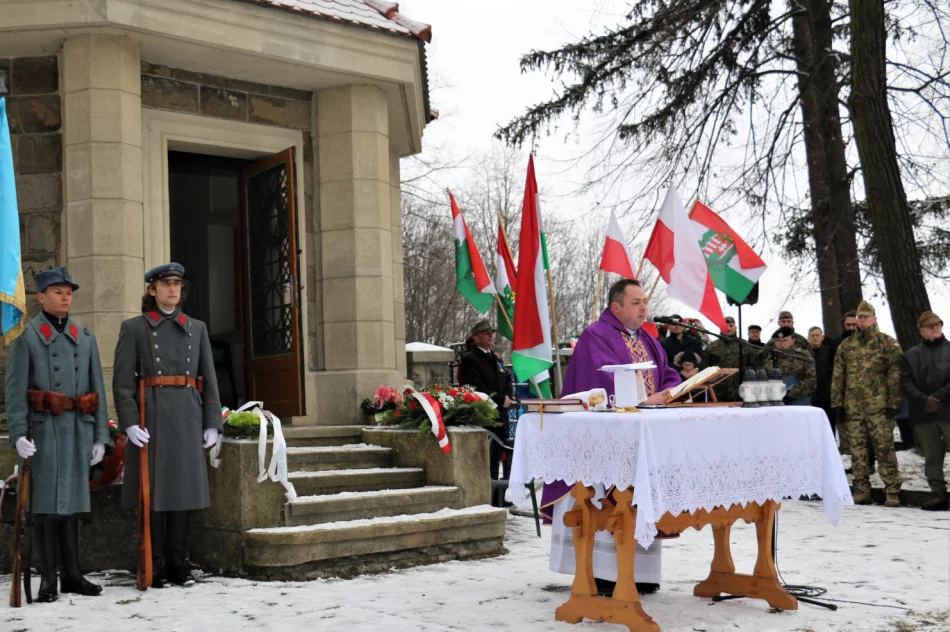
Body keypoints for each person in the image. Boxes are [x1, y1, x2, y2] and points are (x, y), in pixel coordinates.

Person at [541, 279, 681, 597]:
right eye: (636, 302)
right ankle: (604, 574)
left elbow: (666, 372)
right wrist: (645, 399)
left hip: (641, 434)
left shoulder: (648, 338)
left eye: (645, 301)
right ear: (616, 307)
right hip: (604, 438)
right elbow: (598, 378)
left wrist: (671, 390)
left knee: (636, 497)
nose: (644, 307)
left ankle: (640, 573)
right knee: (609, 498)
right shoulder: (596, 335)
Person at [113, 263, 222, 587]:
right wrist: (129, 423)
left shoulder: (196, 328)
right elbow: (122, 385)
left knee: (183, 491)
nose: (173, 289)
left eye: (177, 284)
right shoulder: (135, 328)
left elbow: (209, 378)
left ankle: (179, 562)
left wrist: (212, 422)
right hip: (153, 417)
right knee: (155, 492)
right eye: (166, 284)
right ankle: (156, 563)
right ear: (152, 290)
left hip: (187, 414)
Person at [5, 267, 108, 602]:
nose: (65, 298)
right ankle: (49, 579)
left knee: (73, 506)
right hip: (45, 431)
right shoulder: (26, 337)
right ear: (41, 297)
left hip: (78, 429)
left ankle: (73, 575)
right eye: (58, 292)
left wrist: (100, 438)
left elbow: (98, 390)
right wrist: (19, 431)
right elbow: (16, 388)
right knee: (47, 508)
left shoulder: (85, 336)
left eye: (69, 293)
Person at [831, 301, 902, 507]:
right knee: (857, 451)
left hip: (879, 407)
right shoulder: (846, 346)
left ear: (874, 318)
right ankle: (862, 490)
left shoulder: (887, 343)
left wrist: (894, 402)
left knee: (884, 449)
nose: (862, 321)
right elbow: (838, 376)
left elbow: (896, 373)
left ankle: (892, 489)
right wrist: (837, 404)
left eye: (866, 317)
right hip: (853, 408)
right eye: (859, 318)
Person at [901, 311, 950, 511]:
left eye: (938, 324)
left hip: (948, 411)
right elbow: (905, 381)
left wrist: (938, 397)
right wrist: (924, 400)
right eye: (931, 326)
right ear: (922, 331)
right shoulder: (911, 355)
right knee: (932, 457)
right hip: (924, 414)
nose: (936, 328)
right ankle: (938, 494)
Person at [459, 320, 512, 482]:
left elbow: (506, 379)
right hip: (483, 415)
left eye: (492, 333)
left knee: (497, 456)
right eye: (486, 333)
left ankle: (498, 498)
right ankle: (488, 496)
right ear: (476, 338)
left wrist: (507, 397)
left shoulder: (495, 358)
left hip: (500, 415)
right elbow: (476, 387)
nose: (491, 335)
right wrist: (500, 399)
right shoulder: (471, 360)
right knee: (486, 458)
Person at [766, 327, 816, 404]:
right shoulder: (770, 359)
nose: (781, 344)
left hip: (800, 401)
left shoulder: (803, 355)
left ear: (792, 341)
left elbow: (811, 379)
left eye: (785, 340)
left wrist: (790, 394)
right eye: (778, 341)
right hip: (777, 402)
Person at [707, 316, 741, 401]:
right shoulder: (712, 347)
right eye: (725, 326)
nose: (728, 328)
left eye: (731, 325)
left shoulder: (744, 345)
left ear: (735, 327)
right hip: (718, 392)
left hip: (740, 391)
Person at [808, 326, 835, 433]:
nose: (815, 338)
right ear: (808, 339)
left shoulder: (830, 353)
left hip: (827, 397)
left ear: (822, 337)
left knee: (828, 426)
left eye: (817, 335)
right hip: (810, 397)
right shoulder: (804, 354)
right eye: (812, 336)